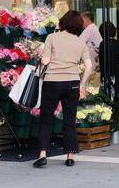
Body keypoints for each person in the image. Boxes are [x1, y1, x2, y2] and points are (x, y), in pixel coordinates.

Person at [33, 10, 93, 169]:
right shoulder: (80, 42)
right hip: (72, 83)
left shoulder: (52, 37)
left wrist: (42, 56)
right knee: (69, 120)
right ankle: (70, 156)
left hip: (52, 82)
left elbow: (45, 60)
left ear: (63, 22)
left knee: (46, 118)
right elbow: (89, 66)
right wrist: (81, 84)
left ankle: (43, 154)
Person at [99, 22, 119, 99]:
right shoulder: (118, 43)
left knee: (108, 96)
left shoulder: (103, 44)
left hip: (107, 74)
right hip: (117, 74)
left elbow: (102, 61)